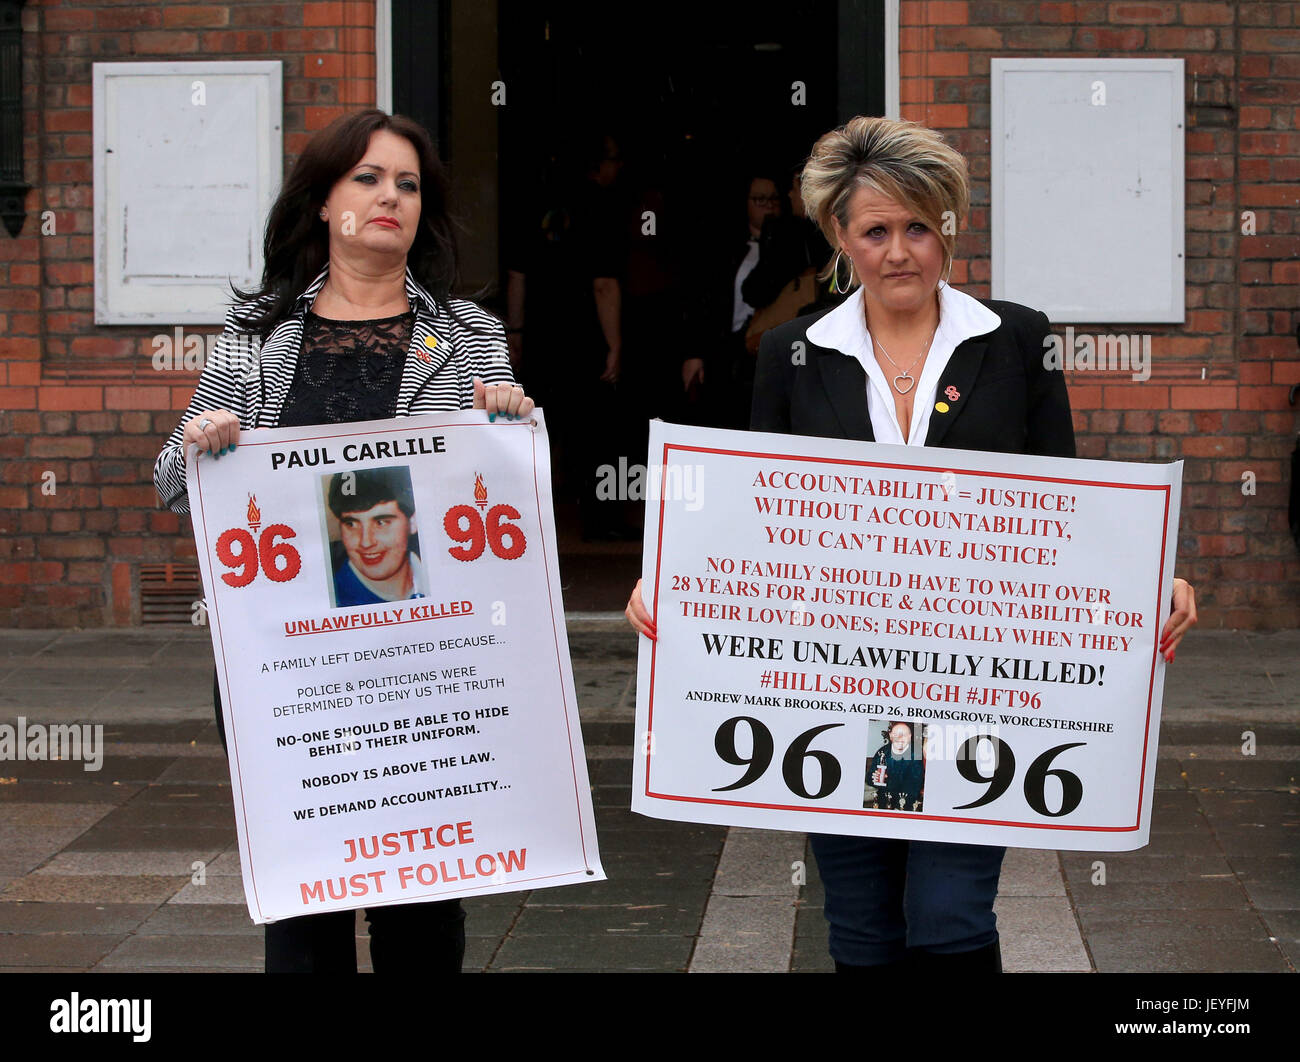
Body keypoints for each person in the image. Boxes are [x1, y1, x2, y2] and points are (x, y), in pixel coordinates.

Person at [626, 115, 1199, 974]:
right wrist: (671, 583)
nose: (901, 251)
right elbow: (754, 518)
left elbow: (1067, 504)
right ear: (839, 239)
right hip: (830, 684)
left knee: (950, 920)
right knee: (859, 927)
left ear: (947, 231)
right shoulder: (790, 354)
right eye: (877, 230)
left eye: (920, 227)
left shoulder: (1016, 340)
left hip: (980, 687)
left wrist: (1148, 578)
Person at [153, 108, 534, 974]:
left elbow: (502, 486)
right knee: (303, 890)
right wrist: (202, 441)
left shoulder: (467, 333)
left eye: (406, 183)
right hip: (286, 666)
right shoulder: (255, 337)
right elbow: (171, 483)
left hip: (422, 658)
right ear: (324, 203)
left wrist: (510, 423)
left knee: (424, 891)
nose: (388, 197)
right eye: (367, 179)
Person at [326, 468, 427, 607]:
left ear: (412, 522)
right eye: (351, 524)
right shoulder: (333, 599)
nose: (366, 542)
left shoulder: (441, 578)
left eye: (381, 522)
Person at [868, 721, 924, 812]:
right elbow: (869, 777)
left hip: (906, 801)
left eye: (904, 734)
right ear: (890, 736)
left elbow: (915, 784)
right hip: (883, 801)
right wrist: (874, 778)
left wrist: (899, 807)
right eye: (896, 734)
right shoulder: (882, 752)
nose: (900, 737)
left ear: (910, 737)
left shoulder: (916, 754)